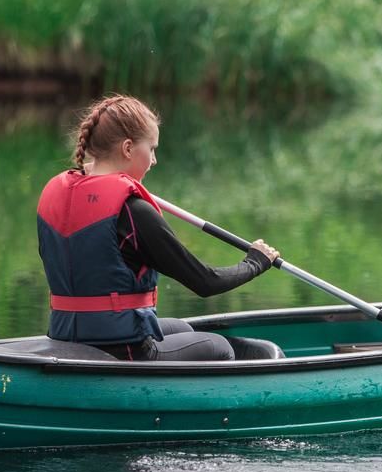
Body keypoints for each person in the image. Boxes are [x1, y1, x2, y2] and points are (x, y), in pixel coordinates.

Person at [36, 94, 280, 361]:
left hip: (66, 335)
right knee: (220, 347)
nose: (154, 161)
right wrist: (255, 262)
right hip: (122, 349)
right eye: (151, 149)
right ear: (128, 149)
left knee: (182, 328)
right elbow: (205, 282)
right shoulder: (133, 211)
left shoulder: (58, 196)